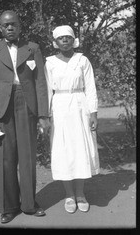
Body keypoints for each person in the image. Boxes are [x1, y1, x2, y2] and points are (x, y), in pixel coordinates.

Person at [0, 10, 50, 223]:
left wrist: (43, 115)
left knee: (28, 156)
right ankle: (9, 206)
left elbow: (40, 82)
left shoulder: (32, 48)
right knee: (6, 157)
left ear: (20, 26)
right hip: (3, 107)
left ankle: (30, 204)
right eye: (6, 25)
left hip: (27, 105)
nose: (10, 28)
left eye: (13, 24)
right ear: (0, 28)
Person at [44, 25, 100, 214]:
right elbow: (46, 91)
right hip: (59, 107)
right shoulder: (49, 63)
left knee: (80, 149)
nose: (65, 40)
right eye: (61, 38)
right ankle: (69, 195)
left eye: (68, 37)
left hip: (79, 105)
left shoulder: (82, 60)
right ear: (56, 42)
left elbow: (90, 87)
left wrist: (93, 113)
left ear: (74, 39)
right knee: (64, 149)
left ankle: (80, 193)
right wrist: (46, 116)